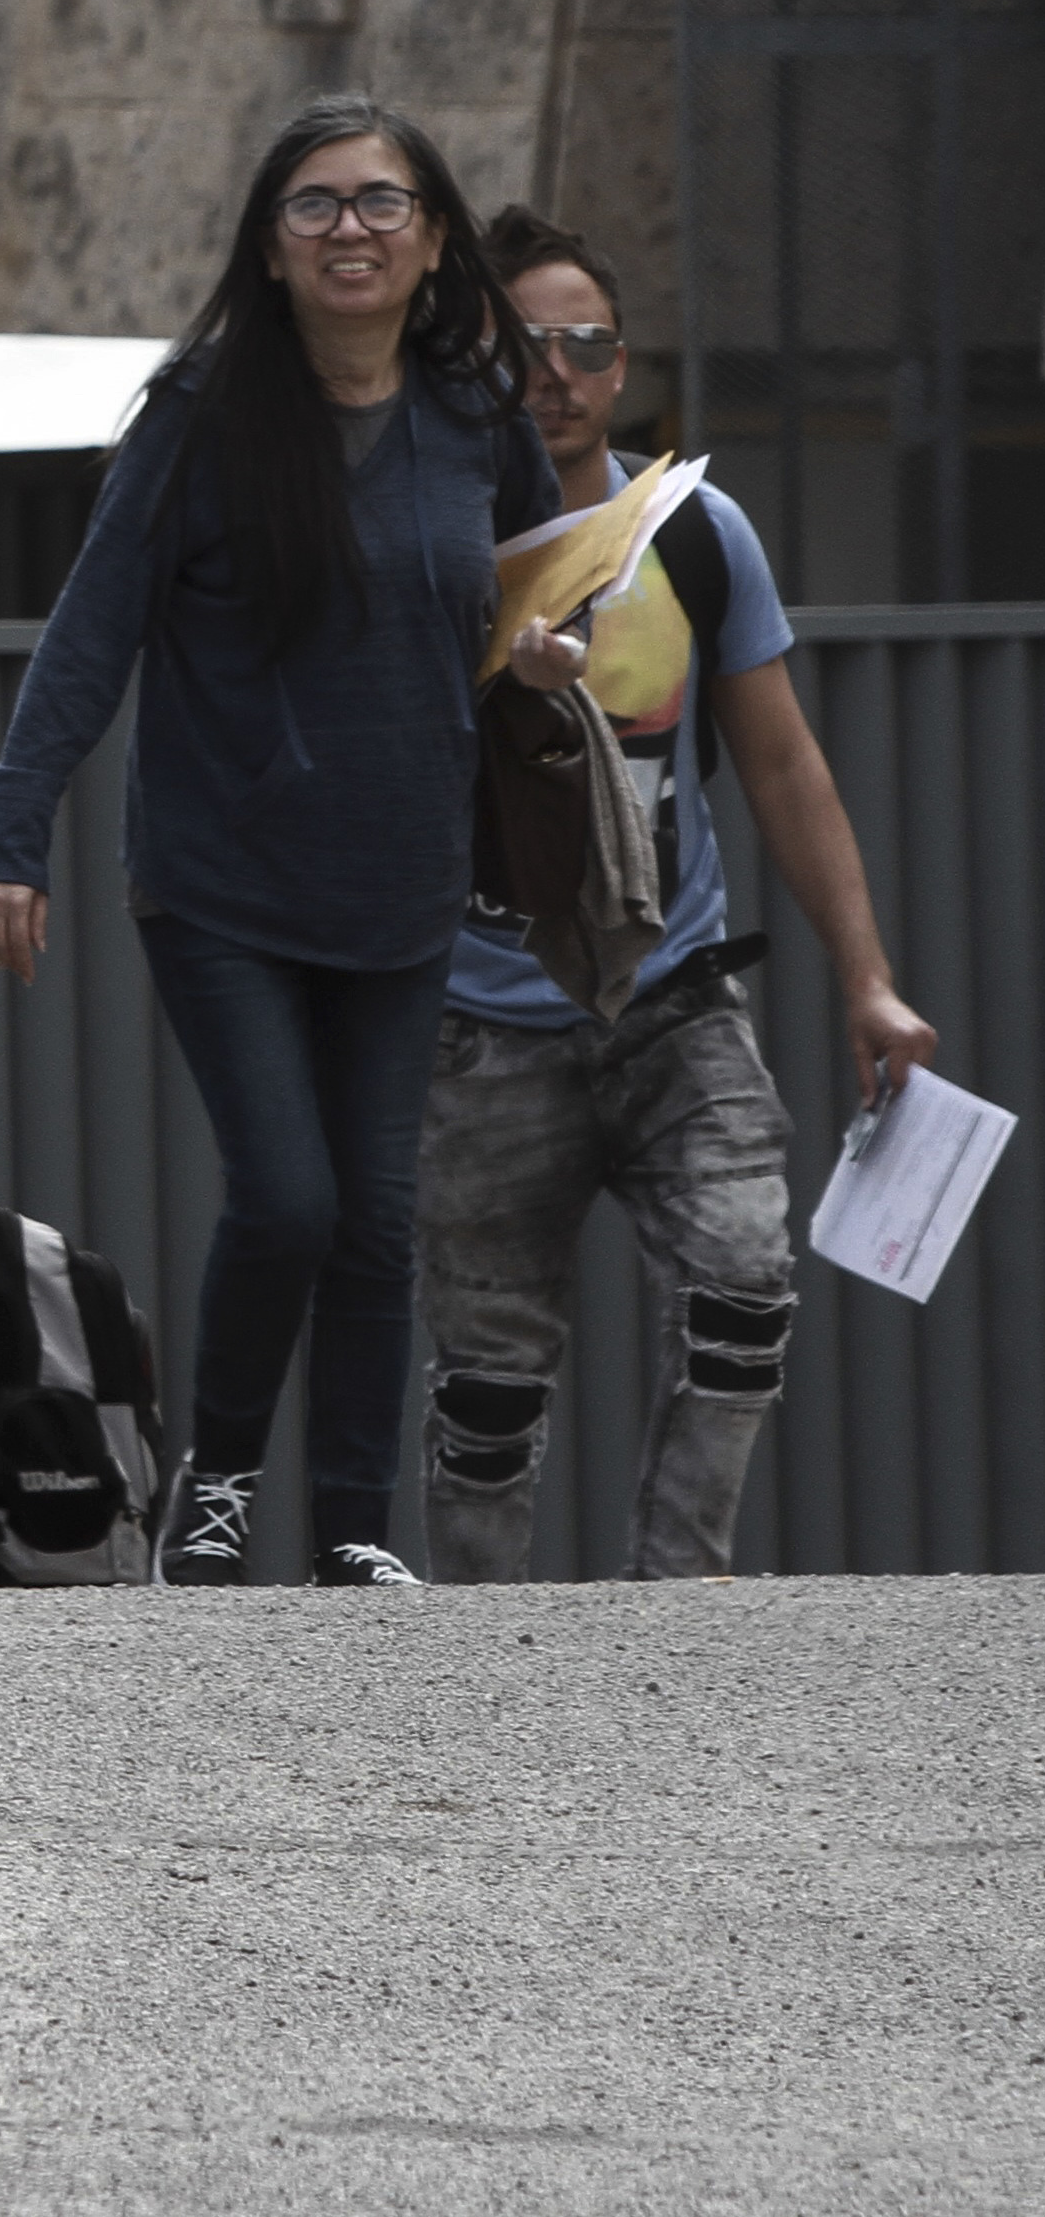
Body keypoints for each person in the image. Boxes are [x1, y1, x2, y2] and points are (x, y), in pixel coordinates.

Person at [0, 94, 571, 1590]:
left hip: (405, 873)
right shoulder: (203, 413)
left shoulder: (474, 416)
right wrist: (8, 835)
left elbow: (529, 597)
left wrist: (546, 657)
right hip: (221, 875)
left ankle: (350, 1525)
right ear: (270, 245)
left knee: (373, 1217)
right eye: (312, 205)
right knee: (289, 1192)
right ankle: (217, 1491)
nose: (346, 227)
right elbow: (92, 625)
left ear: (432, 241)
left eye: (378, 202)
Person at [417, 209, 936, 1581]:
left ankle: (679, 1598)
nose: (554, 370)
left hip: (672, 1000)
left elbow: (779, 762)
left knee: (743, 1277)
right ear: (466, 360)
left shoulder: (692, 530)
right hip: (479, 1025)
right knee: (484, 1385)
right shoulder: (425, 537)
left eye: (583, 342)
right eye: (519, 343)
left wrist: (865, 976)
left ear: (622, 362)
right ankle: (472, 1676)